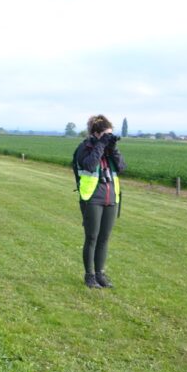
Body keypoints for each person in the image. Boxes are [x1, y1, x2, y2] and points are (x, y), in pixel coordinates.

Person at [74, 114, 127, 289]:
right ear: (96, 133)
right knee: (92, 237)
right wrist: (101, 144)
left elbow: (121, 167)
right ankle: (89, 276)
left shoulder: (108, 149)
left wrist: (112, 148)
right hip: (92, 199)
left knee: (104, 238)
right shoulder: (84, 148)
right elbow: (89, 165)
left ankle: (100, 274)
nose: (108, 137)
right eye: (105, 134)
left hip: (111, 198)